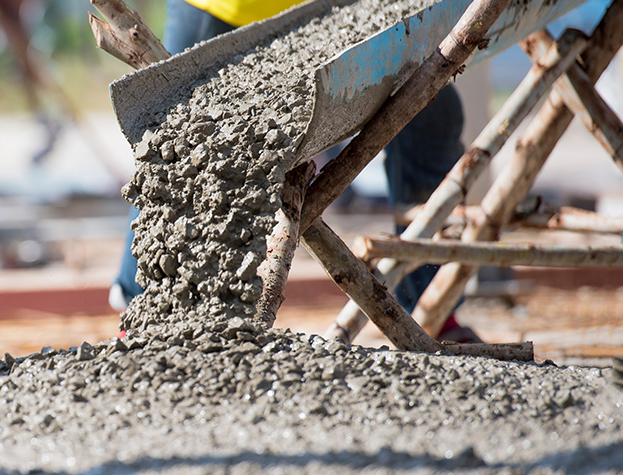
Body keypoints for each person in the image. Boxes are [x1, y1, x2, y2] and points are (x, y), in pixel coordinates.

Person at [108, 0, 481, 342]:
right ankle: (144, 312)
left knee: (432, 117)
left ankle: (436, 308)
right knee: (178, 145)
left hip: (341, 12)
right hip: (226, 7)